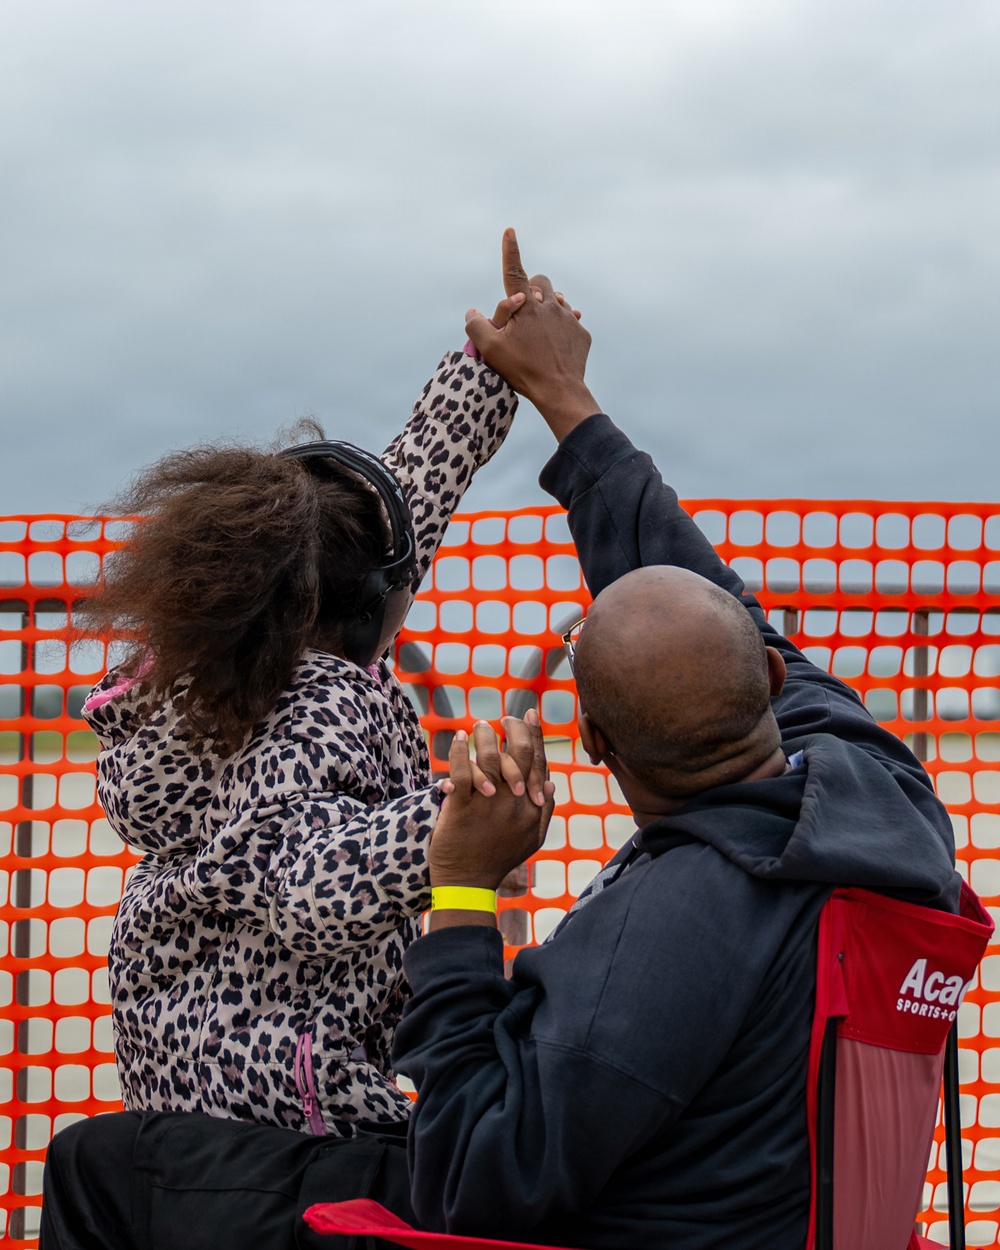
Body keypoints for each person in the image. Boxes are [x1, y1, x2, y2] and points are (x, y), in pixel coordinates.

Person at [40, 233, 961, 1250]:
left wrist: (464, 886)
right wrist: (558, 400)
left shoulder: (669, 928)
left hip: (546, 1210)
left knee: (102, 1163)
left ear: (594, 740)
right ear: (775, 679)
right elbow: (713, 604)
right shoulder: (880, 789)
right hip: (761, 1206)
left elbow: (483, 1169)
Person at [69, 312, 546, 1142]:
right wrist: (452, 821)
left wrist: (486, 367)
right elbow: (306, 883)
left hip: (176, 1087)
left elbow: (409, 497)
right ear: (373, 611)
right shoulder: (319, 704)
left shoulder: (223, 668)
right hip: (288, 1112)